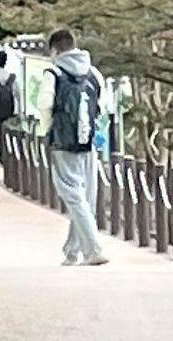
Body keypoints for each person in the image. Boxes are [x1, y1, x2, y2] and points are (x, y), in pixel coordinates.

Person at [45, 29, 109, 267]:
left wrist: (46, 131)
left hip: (62, 142)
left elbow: (44, 104)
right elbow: (103, 108)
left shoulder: (54, 72)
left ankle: (93, 249)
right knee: (83, 198)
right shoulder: (94, 73)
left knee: (72, 194)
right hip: (89, 142)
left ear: (55, 50)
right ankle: (72, 251)